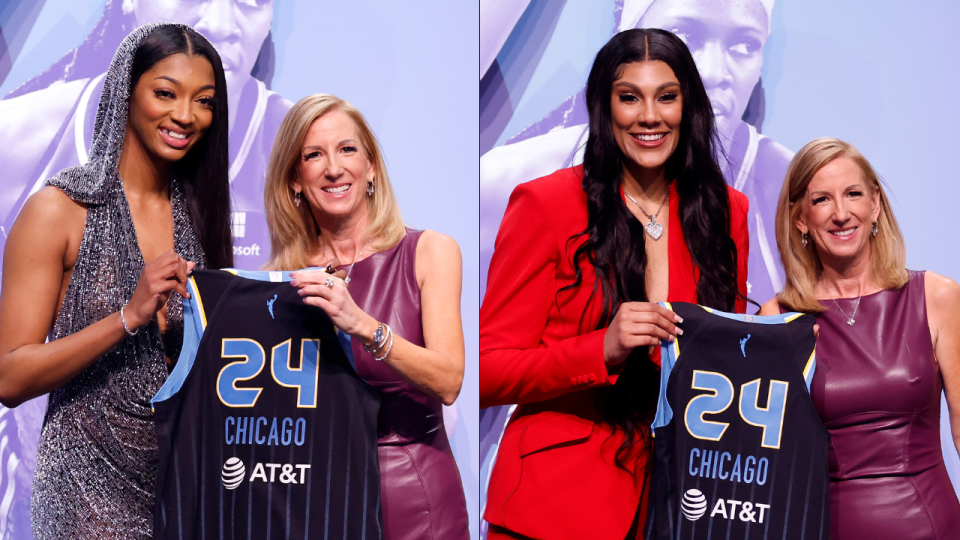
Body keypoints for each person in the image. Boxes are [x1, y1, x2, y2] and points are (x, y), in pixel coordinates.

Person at [480, 28, 750, 540]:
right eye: (630, 98)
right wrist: (600, 349)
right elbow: (489, 371)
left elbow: (718, 361)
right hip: (554, 505)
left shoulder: (725, 211)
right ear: (605, 109)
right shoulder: (545, 204)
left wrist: (765, 340)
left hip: (682, 505)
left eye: (666, 97)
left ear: (687, 107)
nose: (650, 116)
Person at [0, 23, 233, 537]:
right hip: (85, 499)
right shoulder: (60, 210)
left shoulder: (201, 217)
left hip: (184, 487)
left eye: (204, 101)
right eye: (165, 93)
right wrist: (129, 316)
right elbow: (10, 377)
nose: (185, 116)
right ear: (126, 93)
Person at [263, 93, 469, 540]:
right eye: (313, 155)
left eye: (347, 149)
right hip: (310, 501)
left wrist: (362, 325)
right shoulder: (274, 283)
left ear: (371, 167)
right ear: (295, 180)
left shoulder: (430, 251)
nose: (334, 168)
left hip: (414, 500)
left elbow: (450, 380)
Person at [758, 138, 960, 539]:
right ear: (800, 219)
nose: (841, 213)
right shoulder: (778, 318)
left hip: (929, 524)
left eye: (853, 194)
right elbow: (769, 455)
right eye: (821, 200)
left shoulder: (936, 296)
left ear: (876, 206)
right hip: (823, 527)